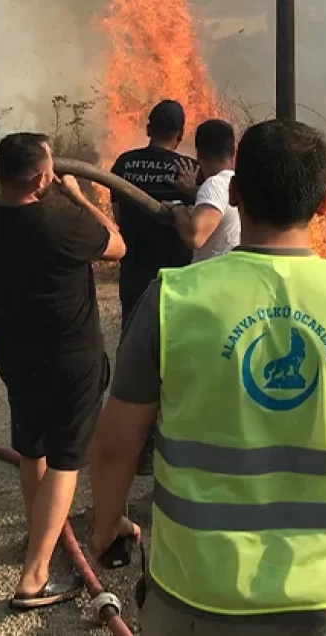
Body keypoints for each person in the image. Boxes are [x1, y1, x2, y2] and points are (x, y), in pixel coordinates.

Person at [88, 119, 326, 636]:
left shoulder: (172, 300)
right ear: (324, 203)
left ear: (234, 193)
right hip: (322, 597)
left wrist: (107, 523)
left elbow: (115, 446)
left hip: (194, 592)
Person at [0, 132, 126, 611]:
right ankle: (34, 576)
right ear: (43, 177)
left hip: (14, 353)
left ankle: (39, 534)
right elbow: (117, 246)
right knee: (65, 458)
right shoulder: (64, 224)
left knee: (32, 446)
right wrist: (79, 196)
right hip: (71, 359)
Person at [110, 99, 196, 475]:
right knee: (175, 356)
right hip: (177, 277)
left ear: (148, 128)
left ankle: (137, 448)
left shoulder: (124, 164)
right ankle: (171, 439)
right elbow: (198, 223)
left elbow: (117, 214)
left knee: (136, 354)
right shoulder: (190, 168)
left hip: (134, 273)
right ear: (179, 133)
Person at [164, 118, 240, 263]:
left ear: (198, 155)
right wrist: (192, 189)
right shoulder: (238, 183)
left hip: (213, 274)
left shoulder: (214, 184)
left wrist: (177, 207)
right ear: (234, 151)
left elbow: (194, 237)